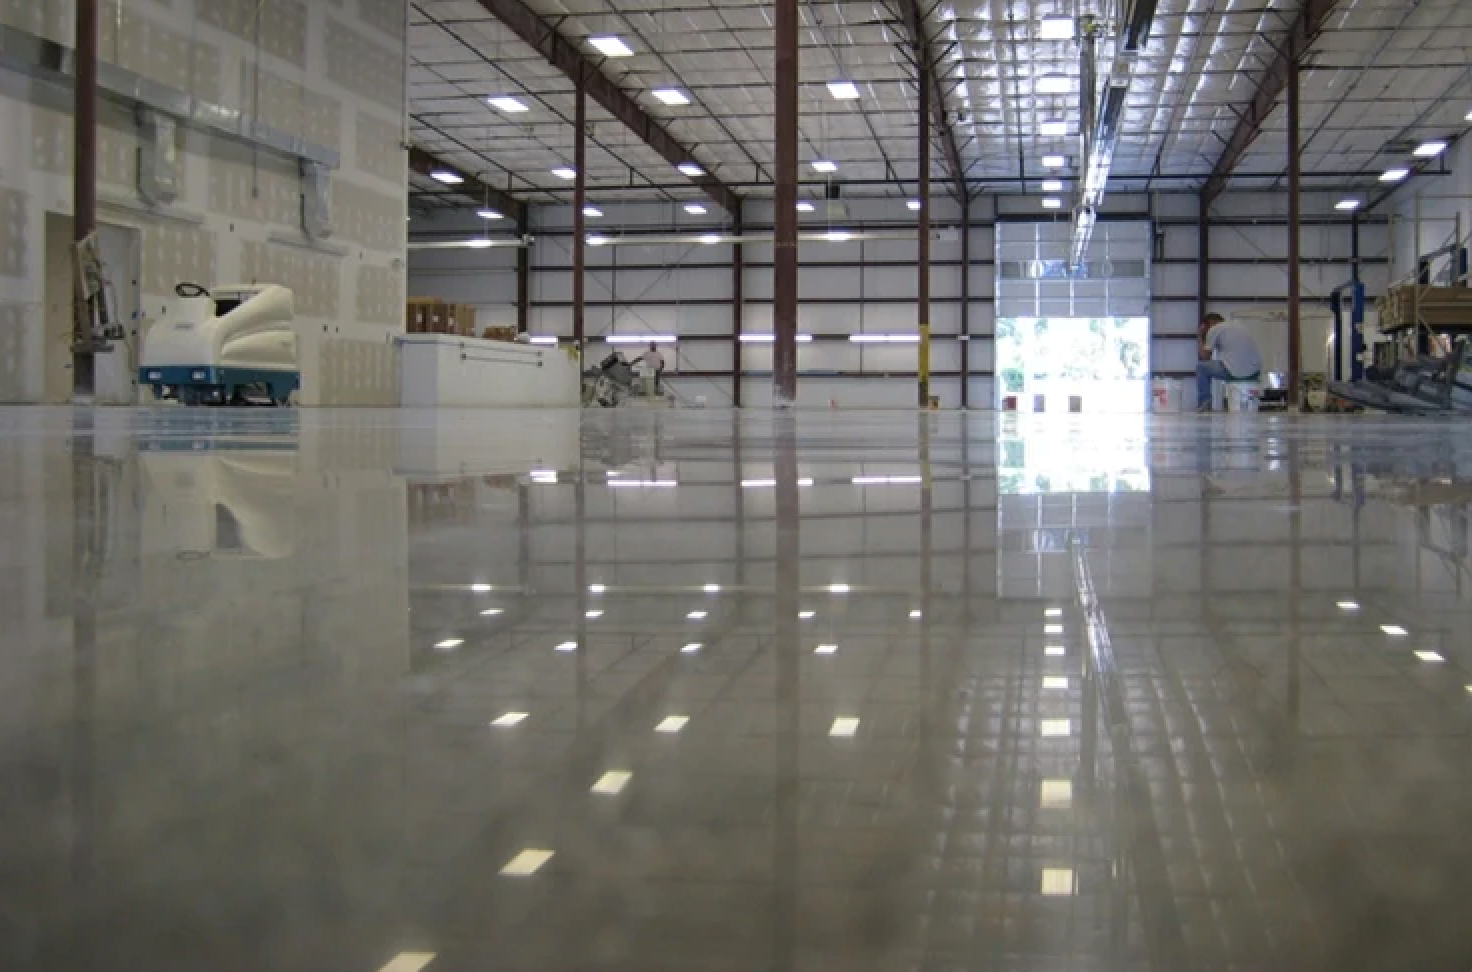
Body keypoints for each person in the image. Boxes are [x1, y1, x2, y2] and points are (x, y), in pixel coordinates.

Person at [1197, 312, 1262, 411]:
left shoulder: (1214, 328)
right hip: (1255, 371)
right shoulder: (1238, 325)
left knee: (1201, 367)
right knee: (1226, 363)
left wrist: (1201, 336)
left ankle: (1205, 402)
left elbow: (1205, 357)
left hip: (1235, 372)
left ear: (1209, 324)